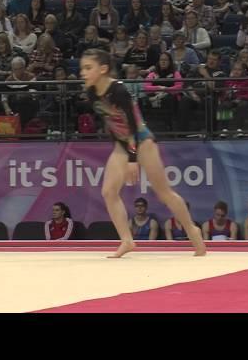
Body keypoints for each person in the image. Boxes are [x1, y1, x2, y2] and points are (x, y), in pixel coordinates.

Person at [79, 48, 206, 257]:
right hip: (122, 143)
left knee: (163, 192)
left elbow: (131, 125)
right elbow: (110, 123)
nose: (83, 72)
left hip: (142, 140)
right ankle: (127, 241)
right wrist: (120, 150)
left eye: (88, 68)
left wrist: (132, 159)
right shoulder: (92, 92)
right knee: (109, 192)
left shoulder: (119, 90)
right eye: (82, 68)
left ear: (103, 69)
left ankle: (192, 230)